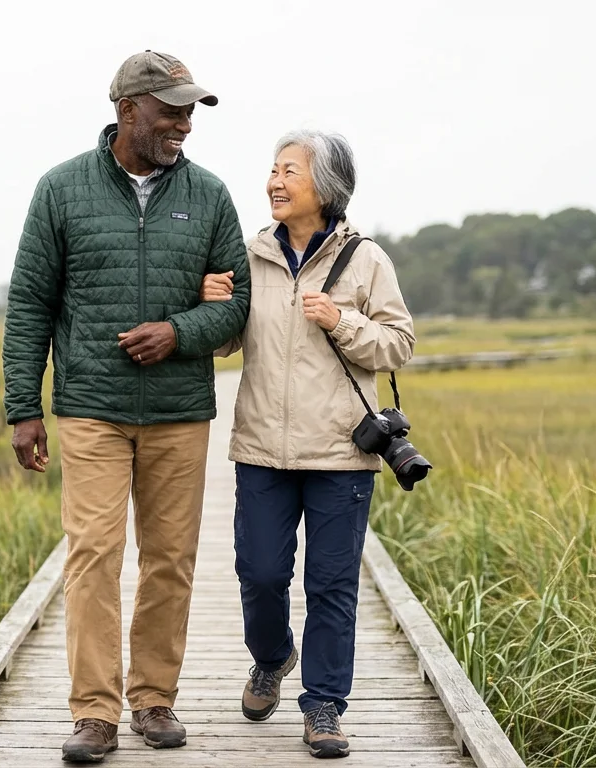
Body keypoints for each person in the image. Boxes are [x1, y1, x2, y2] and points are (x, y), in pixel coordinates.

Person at [2, 50, 250, 763]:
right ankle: (94, 713)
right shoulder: (61, 189)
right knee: (93, 556)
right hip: (90, 408)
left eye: (189, 111)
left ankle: (153, 699)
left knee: (170, 559)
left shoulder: (209, 195)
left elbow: (239, 306)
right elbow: (29, 304)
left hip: (179, 410)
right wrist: (24, 406)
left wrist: (179, 332)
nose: (184, 125)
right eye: (171, 110)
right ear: (128, 109)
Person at [200, 130, 415, 758]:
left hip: (342, 452)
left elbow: (398, 343)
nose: (274, 180)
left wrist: (341, 320)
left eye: (289, 170)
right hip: (262, 446)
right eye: (272, 169)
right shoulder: (251, 254)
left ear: (325, 187)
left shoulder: (367, 259)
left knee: (331, 584)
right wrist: (211, 305)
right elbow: (223, 344)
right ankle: (271, 657)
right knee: (260, 572)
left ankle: (323, 706)